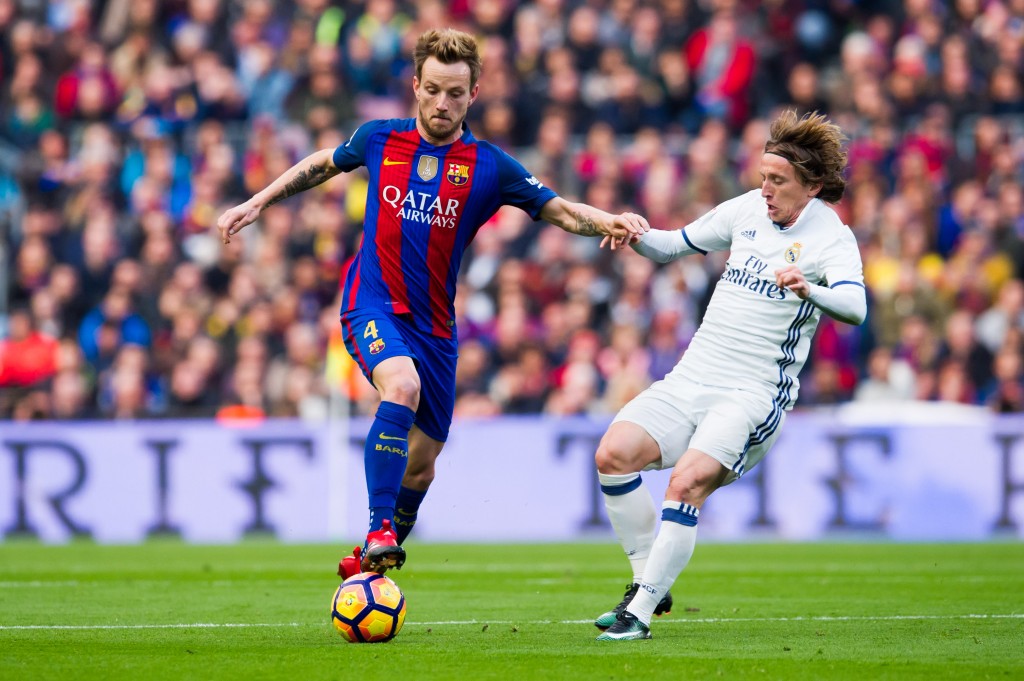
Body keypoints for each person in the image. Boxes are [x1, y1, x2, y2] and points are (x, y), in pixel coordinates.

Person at [216, 28, 648, 579]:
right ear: (416, 86)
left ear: (474, 93)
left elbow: (559, 209)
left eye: (456, 93)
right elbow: (324, 162)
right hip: (370, 303)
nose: (443, 103)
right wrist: (257, 202)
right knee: (401, 386)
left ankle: (371, 563)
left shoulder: (491, 166)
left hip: (436, 329)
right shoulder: (378, 140)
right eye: (434, 89)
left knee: (421, 467)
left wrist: (607, 220)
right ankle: (376, 528)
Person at [593, 110, 867, 641]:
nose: (764, 188)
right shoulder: (746, 209)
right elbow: (672, 245)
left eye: (777, 180)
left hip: (753, 392)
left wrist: (810, 290)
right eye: (763, 175)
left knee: (687, 481)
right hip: (693, 374)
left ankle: (639, 615)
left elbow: (855, 308)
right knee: (613, 454)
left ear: (811, 186)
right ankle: (647, 583)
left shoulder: (832, 238)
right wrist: (633, 231)